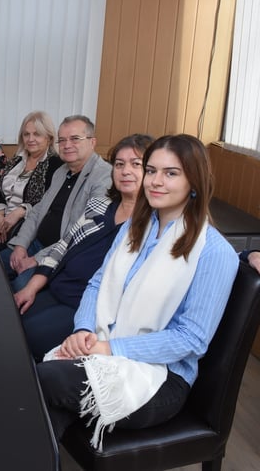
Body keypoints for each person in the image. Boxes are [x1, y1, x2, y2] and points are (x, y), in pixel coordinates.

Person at [37, 134, 239, 450]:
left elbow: (191, 339)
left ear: (194, 182)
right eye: (152, 170)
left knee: (43, 378)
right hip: (104, 348)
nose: (155, 181)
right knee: (41, 415)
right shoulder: (135, 229)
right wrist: (84, 330)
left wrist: (108, 348)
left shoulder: (214, 252)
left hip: (161, 380)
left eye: (171, 173)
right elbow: (97, 284)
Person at [14, 134, 154, 360]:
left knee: (24, 337)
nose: (125, 171)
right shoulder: (100, 205)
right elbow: (63, 246)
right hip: (56, 286)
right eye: (119, 164)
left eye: (136, 164)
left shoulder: (152, 224)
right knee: (7, 319)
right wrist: (31, 287)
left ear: (152, 171)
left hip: (86, 308)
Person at [2, 115, 112, 291]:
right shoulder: (61, 171)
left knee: (19, 287)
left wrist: (37, 259)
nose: (67, 145)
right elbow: (38, 211)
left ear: (92, 142)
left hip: (60, 256)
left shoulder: (104, 176)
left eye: (75, 139)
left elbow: (82, 234)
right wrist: (20, 245)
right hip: (34, 243)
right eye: (62, 140)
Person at [0, 111, 63, 239]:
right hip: (4, 214)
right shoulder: (16, 160)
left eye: (37, 134)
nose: (30, 139)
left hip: (28, 223)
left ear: (49, 138)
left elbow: (51, 202)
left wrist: (21, 211)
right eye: (26, 134)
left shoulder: (56, 164)